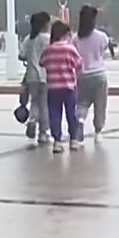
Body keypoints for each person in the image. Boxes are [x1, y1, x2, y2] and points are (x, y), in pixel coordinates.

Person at [39, 20, 83, 154]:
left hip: (53, 87)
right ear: (65, 34)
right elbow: (79, 64)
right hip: (69, 87)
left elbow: (42, 62)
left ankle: (57, 142)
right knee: (71, 114)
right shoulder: (70, 48)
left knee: (55, 114)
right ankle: (73, 140)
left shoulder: (48, 49)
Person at [73, 4, 112, 142]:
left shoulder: (75, 38)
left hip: (82, 75)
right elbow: (104, 49)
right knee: (100, 105)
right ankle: (98, 132)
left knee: (81, 103)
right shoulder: (101, 36)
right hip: (99, 75)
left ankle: (80, 121)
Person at [19, 11, 52, 146]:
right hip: (46, 75)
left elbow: (21, 55)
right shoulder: (48, 39)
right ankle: (43, 133)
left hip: (31, 76)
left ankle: (32, 120)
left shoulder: (28, 39)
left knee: (34, 101)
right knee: (44, 105)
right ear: (45, 24)